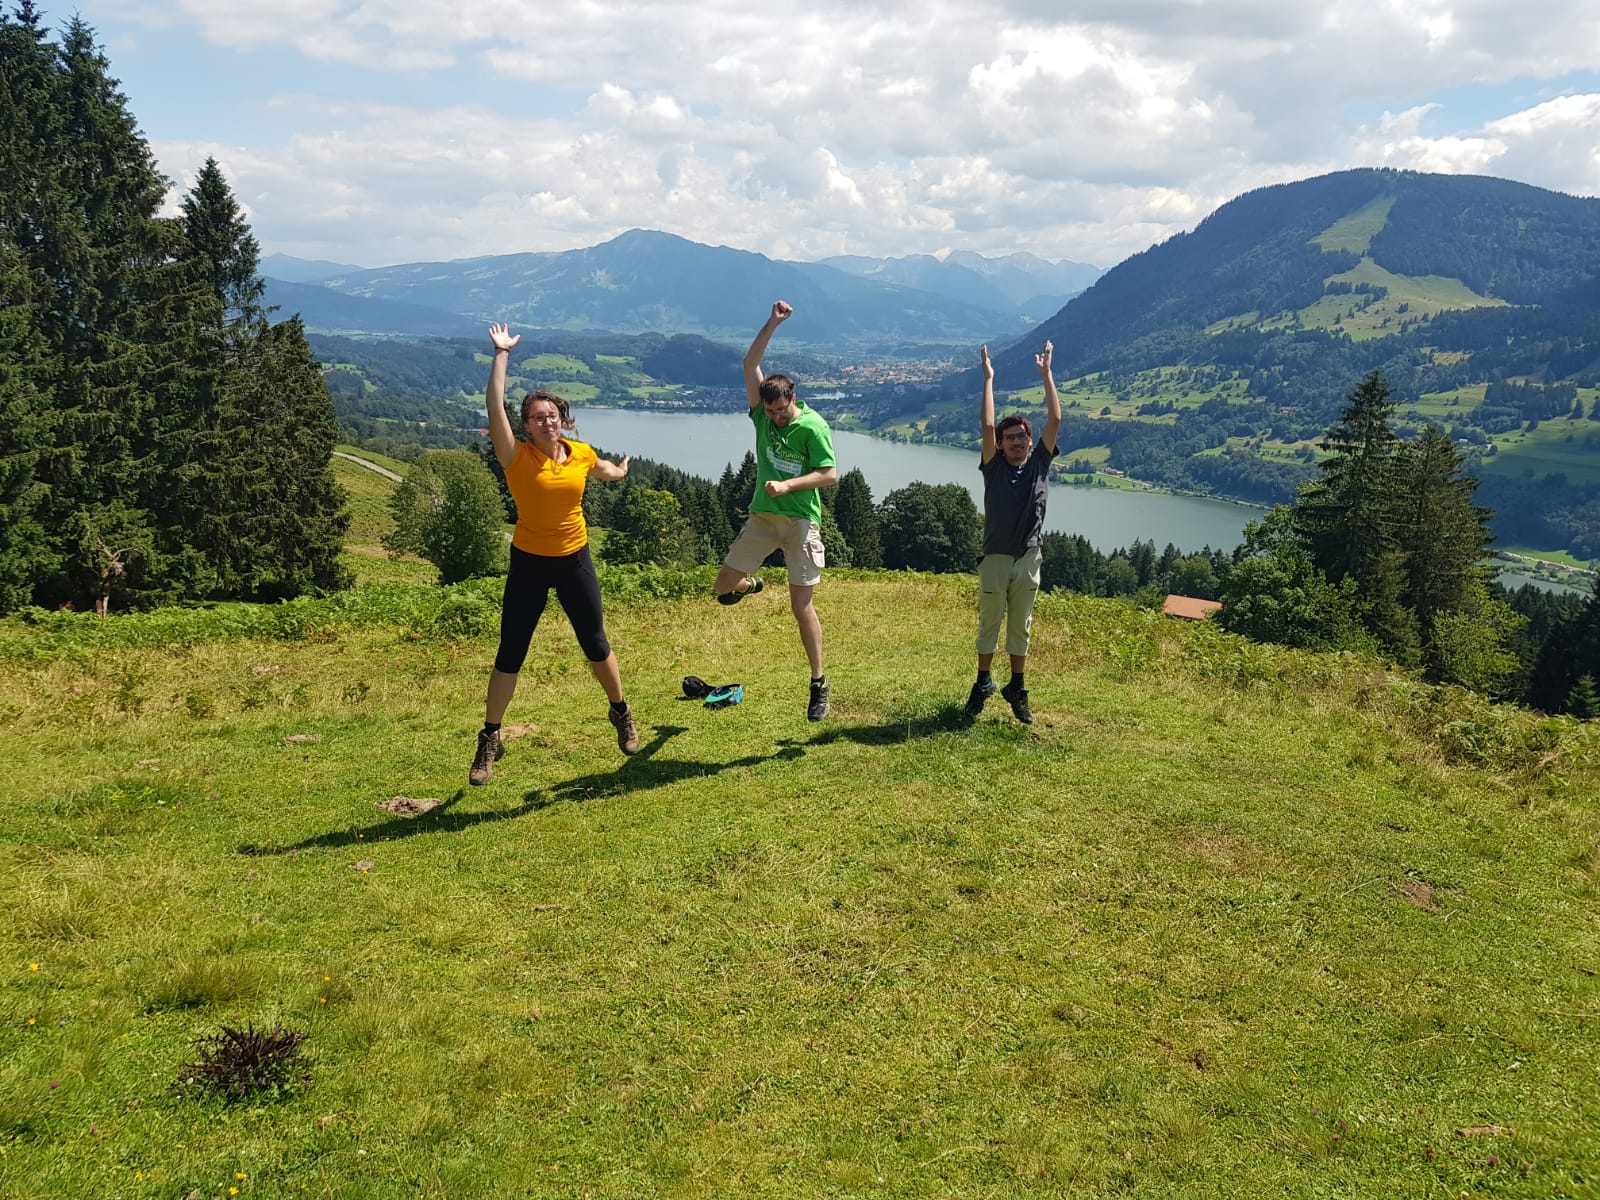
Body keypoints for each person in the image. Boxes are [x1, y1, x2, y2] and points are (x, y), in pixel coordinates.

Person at [470, 323, 639, 785]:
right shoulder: (516, 457)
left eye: (553, 415)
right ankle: (490, 737)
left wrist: (620, 472)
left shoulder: (579, 453)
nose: (547, 422)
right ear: (526, 425)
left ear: (562, 419)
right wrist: (501, 354)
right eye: (538, 417)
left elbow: (603, 469)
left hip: (574, 560)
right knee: (511, 651)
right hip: (529, 562)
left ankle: (621, 712)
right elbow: (494, 405)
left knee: (596, 643)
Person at [714, 300, 838, 720]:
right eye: (769, 412)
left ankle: (818, 683)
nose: (775, 418)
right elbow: (750, 363)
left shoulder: (813, 427)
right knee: (723, 587)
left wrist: (787, 485)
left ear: (793, 399)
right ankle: (752, 585)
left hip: (801, 522)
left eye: (781, 411)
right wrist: (772, 322)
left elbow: (830, 474)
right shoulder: (762, 418)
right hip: (763, 519)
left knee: (801, 607)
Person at [966, 340, 1062, 724]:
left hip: (1028, 558)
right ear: (1001, 445)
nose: (1017, 441)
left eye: (1022, 436)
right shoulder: (993, 467)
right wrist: (988, 378)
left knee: (1020, 627)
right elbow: (987, 425)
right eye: (1010, 438)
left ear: (1030, 440)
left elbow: (1055, 419)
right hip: (995, 559)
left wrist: (1046, 375)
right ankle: (983, 682)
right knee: (989, 624)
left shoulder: (1040, 464)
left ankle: (1017, 687)